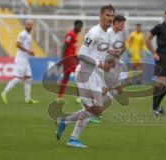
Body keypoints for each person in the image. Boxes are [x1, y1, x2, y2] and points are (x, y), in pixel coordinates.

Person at [55, 4, 116, 148]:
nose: (110, 18)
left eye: (112, 16)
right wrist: (98, 63)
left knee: (90, 109)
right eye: (108, 15)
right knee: (96, 107)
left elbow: (98, 53)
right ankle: (68, 129)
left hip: (94, 74)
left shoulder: (107, 34)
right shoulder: (94, 33)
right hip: (84, 73)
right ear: (101, 16)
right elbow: (81, 54)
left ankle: (69, 131)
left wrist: (108, 62)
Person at [89, 14, 127, 123]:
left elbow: (115, 52)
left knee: (104, 90)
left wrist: (121, 51)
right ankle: (94, 109)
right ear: (116, 23)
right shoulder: (109, 33)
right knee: (118, 90)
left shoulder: (116, 36)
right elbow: (101, 48)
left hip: (110, 66)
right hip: (105, 66)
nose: (123, 26)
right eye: (122, 24)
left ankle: (92, 108)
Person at [1, 19, 38, 104]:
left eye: (31, 24)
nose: (29, 26)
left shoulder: (29, 35)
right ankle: (4, 93)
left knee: (29, 78)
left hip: (25, 59)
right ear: (25, 25)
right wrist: (28, 51)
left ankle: (28, 98)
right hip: (20, 59)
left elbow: (27, 46)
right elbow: (17, 44)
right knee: (18, 78)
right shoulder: (22, 34)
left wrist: (30, 52)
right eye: (28, 24)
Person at [56, 20, 83, 104]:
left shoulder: (74, 34)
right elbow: (64, 46)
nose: (80, 28)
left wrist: (76, 57)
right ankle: (78, 96)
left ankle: (59, 97)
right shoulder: (70, 34)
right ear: (74, 25)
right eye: (78, 26)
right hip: (68, 59)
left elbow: (71, 48)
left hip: (70, 58)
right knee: (80, 74)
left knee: (66, 77)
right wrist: (62, 59)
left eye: (81, 26)